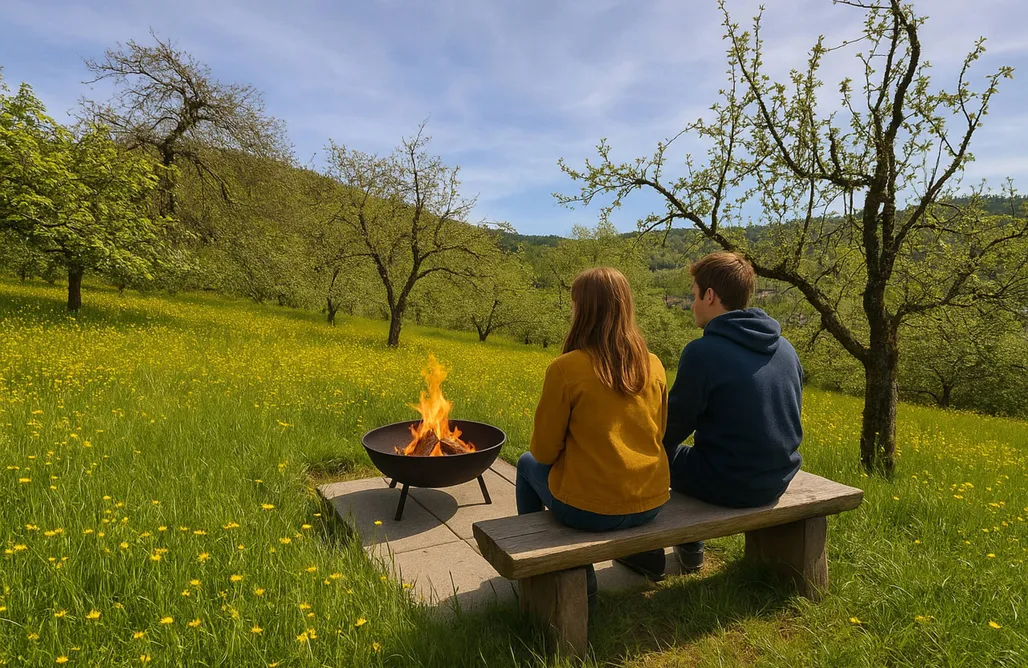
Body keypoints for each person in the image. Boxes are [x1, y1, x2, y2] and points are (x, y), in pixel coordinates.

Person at [615, 252, 804, 581]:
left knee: (648, 453)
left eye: (693, 295)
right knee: (695, 455)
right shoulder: (785, 348)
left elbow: (668, 431)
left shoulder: (703, 352)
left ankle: (644, 550)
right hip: (778, 479)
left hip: (733, 484)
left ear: (711, 296)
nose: (692, 304)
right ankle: (691, 548)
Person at [516, 266, 670, 599]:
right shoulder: (655, 365)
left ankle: (539, 562)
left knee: (526, 464)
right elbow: (660, 433)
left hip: (589, 511)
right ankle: (644, 557)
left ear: (582, 309)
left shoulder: (565, 369)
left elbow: (543, 453)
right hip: (651, 501)